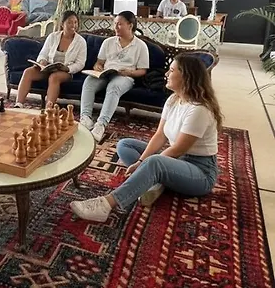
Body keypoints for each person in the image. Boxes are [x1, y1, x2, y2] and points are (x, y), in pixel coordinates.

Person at [70, 54, 222, 223]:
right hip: (176, 160)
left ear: (186, 76)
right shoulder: (173, 100)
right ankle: (155, 180)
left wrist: (147, 163)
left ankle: (105, 205)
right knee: (125, 145)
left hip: (200, 172)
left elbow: (178, 149)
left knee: (155, 162)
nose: (166, 74)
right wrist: (141, 161)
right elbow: (160, 135)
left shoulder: (199, 110)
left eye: (172, 70)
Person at [79, 11, 149, 142]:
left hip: (125, 76)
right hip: (105, 73)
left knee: (114, 87)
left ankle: (101, 125)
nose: (115, 27)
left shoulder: (141, 46)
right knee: (89, 81)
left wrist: (129, 72)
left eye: (119, 24)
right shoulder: (108, 42)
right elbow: (99, 62)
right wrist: (98, 67)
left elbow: (142, 71)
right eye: (115, 23)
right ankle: (86, 118)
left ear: (130, 25)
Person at [14, 11, 87, 107]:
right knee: (28, 72)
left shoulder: (81, 42)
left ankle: (49, 109)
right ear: (62, 24)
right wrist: (42, 61)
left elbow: (80, 63)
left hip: (66, 72)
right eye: (69, 22)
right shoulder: (53, 37)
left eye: (75, 22)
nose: (73, 25)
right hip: (48, 68)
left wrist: (68, 68)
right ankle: (18, 104)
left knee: (54, 77)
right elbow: (43, 54)